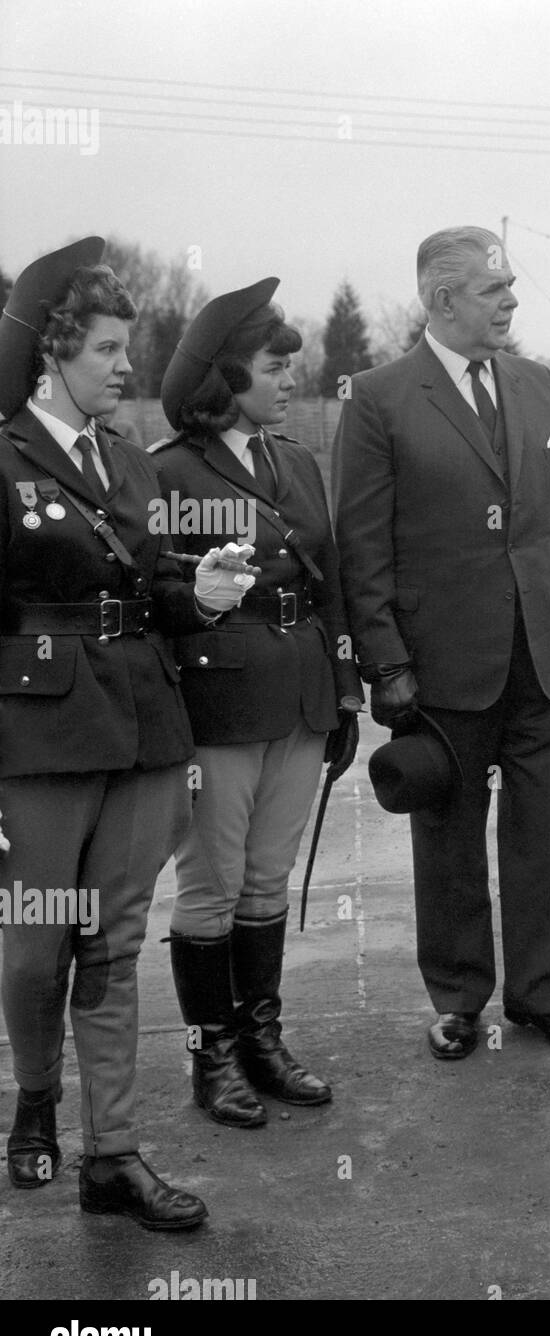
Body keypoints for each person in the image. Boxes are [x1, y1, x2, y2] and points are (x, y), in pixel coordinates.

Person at [0, 238, 250, 1229]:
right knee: (32, 949)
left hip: (143, 729)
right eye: (106, 348)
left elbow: (147, 591)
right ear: (56, 352)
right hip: (38, 739)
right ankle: (33, 1098)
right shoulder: (4, 452)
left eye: (125, 349)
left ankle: (112, 1153)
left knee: (111, 944)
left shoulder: (127, 462)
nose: (123, 366)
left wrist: (207, 594)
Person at [334, 225, 550, 1061]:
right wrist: (384, 661)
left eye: (510, 287)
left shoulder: (536, 384)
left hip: (543, 654)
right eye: (495, 290)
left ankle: (543, 995)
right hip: (441, 668)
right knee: (449, 840)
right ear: (441, 299)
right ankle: (460, 1000)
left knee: (544, 836)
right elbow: (362, 544)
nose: (512, 302)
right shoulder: (378, 397)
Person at [153, 279, 363, 1127]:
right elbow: (156, 597)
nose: (288, 380)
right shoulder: (166, 471)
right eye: (273, 367)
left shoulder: (296, 462)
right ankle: (214, 1056)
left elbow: (332, 582)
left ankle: (261, 1038)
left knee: (266, 879)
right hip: (219, 703)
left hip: (302, 695)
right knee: (210, 883)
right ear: (225, 377)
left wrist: (345, 689)